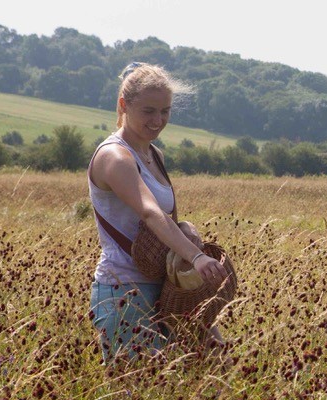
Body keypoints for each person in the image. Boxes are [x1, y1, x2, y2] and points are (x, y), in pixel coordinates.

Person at [87, 62, 228, 363]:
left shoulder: (154, 155)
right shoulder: (115, 156)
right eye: (148, 111)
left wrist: (185, 229)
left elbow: (166, 221)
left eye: (165, 111)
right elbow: (151, 213)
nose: (158, 120)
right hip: (123, 292)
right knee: (138, 386)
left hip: (168, 289)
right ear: (124, 105)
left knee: (212, 369)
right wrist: (197, 257)